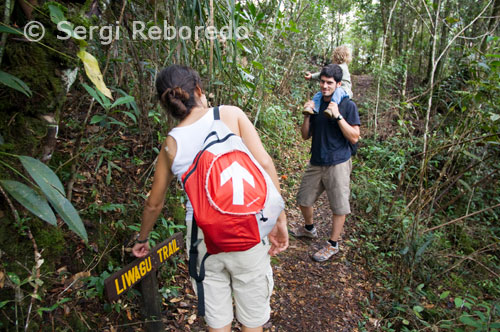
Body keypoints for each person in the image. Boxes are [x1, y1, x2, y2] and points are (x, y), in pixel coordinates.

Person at [132, 64, 288, 332]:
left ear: (167, 104)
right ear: (199, 91)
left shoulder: (172, 144)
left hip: (205, 240)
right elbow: (264, 163)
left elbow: (154, 203)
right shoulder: (230, 114)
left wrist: (143, 238)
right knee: (252, 319)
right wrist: (279, 218)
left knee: (217, 320)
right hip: (248, 230)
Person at [293, 64, 360, 262]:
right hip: (317, 160)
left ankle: (333, 244)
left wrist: (338, 116)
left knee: (339, 207)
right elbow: (305, 136)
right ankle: (309, 228)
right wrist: (307, 115)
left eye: (329, 83)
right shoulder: (316, 103)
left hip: (338, 162)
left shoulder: (348, 105)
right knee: (303, 199)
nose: (324, 86)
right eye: (322, 82)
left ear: (338, 84)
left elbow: (355, 137)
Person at [304, 45, 353, 118]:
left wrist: (312, 76)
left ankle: (331, 108)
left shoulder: (340, 67)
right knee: (318, 94)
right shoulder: (339, 66)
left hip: (344, 89)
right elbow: (324, 75)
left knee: (337, 94)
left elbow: (322, 74)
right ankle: (314, 108)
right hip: (338, 88)